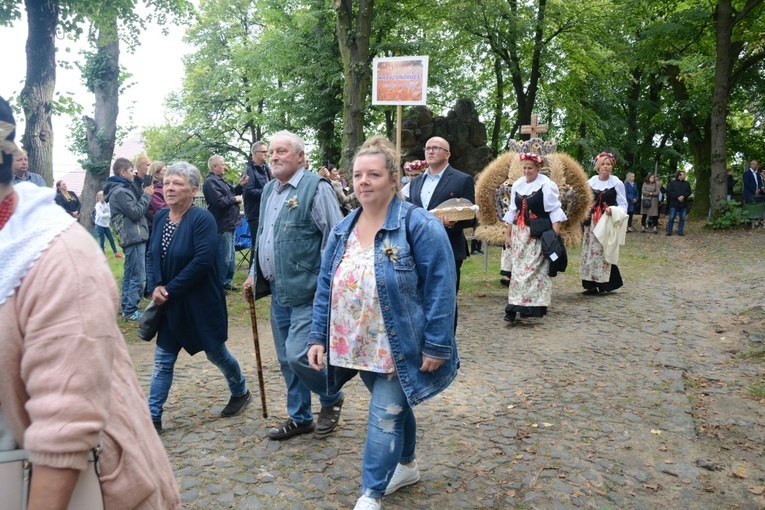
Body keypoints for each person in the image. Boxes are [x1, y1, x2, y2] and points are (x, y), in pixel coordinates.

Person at [0, 95, 180, 509]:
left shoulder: (59, 257)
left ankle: (134, 311)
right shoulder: (120, 190)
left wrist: (145, 197)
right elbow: (137, 212)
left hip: (83, 485)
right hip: (135, 240)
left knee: (138, 282)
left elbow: (65, 426)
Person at [306, 136, 459, 510]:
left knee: (386, 414)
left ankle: (370, 495)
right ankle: (406, 465)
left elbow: (442, 286)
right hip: (358, 343)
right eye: (358, 174)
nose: (364, 181)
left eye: (373, 174)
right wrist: (317, 336)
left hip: (401, 341)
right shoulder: (343, 229)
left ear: (393, 179)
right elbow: (326, 285)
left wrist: (437, 343)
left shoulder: (419, 226)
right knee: (392, 405)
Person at [243, 130, 345, 441]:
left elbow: (334, 238)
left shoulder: (317, 188)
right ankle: (300, 417)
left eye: (282, 151)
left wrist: (327, 287)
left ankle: (331, 398)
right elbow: (264, 238)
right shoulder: (270, 190)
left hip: (309, 291)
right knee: (287, 360)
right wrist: (252, 273)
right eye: (271, 152)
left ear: (300, 157)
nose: (274, 156)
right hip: (279, 292)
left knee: (299, 355)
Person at [146, 162, 252, 431]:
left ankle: (240, 390)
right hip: (171, 305)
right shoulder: (160, 217)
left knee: (216, 354)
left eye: (177, 183)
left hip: (200, 302)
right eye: (167, 183)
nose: (170, 188)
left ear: (193, 190)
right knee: (163, 361)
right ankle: (152, 417)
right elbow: (152, 254)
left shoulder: (202, 219)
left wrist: (169, 289)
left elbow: (203, 262)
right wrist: (156, 285)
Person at [407, 136, 475, 331]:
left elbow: (472, 217)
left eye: (436, 148)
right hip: (417, 248)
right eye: (427, 147)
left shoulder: (462, 180)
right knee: (418, 298)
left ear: (447, 154)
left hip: (449, 247)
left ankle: (445, 345)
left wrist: (453, 223)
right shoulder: (416, 182)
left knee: (444, 300)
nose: (430, 151)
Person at [502, 152, 567, 321]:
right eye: (524, 168)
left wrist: (553, 235)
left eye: (530, 168)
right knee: (517, 270)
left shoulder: (546, 185)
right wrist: (508, 234)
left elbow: (554, 211)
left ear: (538, 168)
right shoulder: (517, 184)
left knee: (533, 270)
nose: (526, 171)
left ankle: (530, 306)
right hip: (519, 234)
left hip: (537, 234)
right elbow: (512, 211)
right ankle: (515, 304)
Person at [103, 157, 154, 321]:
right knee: (138, 277)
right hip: (134, 236)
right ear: (122, 172)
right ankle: (131, 310)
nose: (133, 174)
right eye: (131, 171)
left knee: (130, 274)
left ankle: (127, 307)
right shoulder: (120, 191)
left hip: (133, 236)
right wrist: (146, 196)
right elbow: (135, 212)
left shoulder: (122, 188)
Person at [581, 152, 628, 294]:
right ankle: (590, 284)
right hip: (591, 223)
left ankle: (604, 284)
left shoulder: (617, 183)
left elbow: (623, 205)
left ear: (612, 166)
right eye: (603, 164)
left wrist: (612, 210)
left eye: (608, 164)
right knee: (590, 251)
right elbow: (585, 201)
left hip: (606, 222)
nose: (605, 167)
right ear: (598, 166)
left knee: (603, 251)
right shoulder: (591, 182)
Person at [203, 155, 246, 291]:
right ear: (215, 167)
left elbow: (231, 193)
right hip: (222, 224)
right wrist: (235, 199)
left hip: (231, 223)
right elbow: (220, 202)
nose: (225, 167)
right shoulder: (210, 182)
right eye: (222, 164)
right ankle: (219, 285)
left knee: (231, 255)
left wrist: (240, 185)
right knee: (223, 257)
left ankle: (227, 281)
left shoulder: (220, 181)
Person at [242, 140, 273, 239]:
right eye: (263, 152)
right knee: (257, 246)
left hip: (267, 212)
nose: (266, 154)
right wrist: (268, 192)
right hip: (255, 215)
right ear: (255, 153)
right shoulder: (249, 169)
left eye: (267, 151)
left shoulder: (266, 167)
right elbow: (249, 191)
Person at [94, 190, 122, 258]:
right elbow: (101, 215)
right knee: (102, 239)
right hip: (99, 224)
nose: (104, 197)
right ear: (99, 198)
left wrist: (108, 214)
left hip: (106, 225)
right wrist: (108, 215)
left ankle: (116, 253)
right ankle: (102, 254)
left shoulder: (108, 204)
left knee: (111, 239)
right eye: (102, 196)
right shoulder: (98, 205)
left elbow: (111, 212)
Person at [666, 171, 692, 236]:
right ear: (679, 175)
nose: (684, 176)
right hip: (674, 203)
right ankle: (669, 231)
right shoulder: (672, 183)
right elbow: (670, 192)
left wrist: (683, 196)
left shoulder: (687, 183)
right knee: (671, 218)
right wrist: (677, 197)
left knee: (682, 218)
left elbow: (689, 192)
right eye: (683, 175)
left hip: (683, 204)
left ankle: (680, 231)